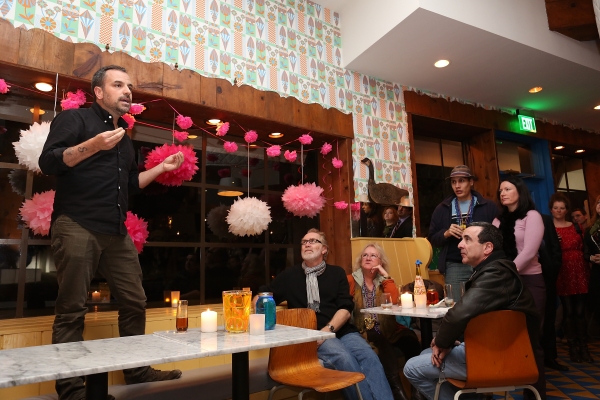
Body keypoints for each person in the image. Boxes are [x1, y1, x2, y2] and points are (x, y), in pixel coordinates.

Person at [39, 65, 184, 400]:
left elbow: (131, 185)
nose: (127, 91)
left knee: (135, 300)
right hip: (76, 223)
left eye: (129, 86)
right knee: (72, 308)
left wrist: (161, 168)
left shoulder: (125, 140)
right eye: (118, 85)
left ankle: (135, 370)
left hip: (115, 231)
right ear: (99, 92)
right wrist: (92, 145)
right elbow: (48, 163)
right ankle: (73, 390)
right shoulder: (74, 120)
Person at [404, 222, 544, 400]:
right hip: (497, 350)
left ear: (487, 248)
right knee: (427, 354)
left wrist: (441, 342)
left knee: (411, 368)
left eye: (467, 239)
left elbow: (458, 314)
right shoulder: (497, 270)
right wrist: (448, 342)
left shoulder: (496, 274)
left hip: (499, 358)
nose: (460, 245)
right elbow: (480, 320)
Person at [257, 229, 393, 400]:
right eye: (304, 242)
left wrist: (327, 330)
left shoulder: (337, 273)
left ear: (324, 249)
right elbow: (264, 296)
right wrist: (250, 303)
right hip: (310, 337)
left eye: (313, 241)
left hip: (341, 331)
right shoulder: (289, 276)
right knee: (344, 358)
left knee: (370, 357)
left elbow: (345, 307)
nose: (307, 244)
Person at [348, 243, 421, 400]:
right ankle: (398, 393)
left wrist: (385, 275)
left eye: (373, 255)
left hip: (390, 328)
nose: (368, 258)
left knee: (411, 338)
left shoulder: (385, 281)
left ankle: (418, 393)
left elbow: (393, 301)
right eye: (365, 255)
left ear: (380, 261)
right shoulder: (351, 280)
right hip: (364, 331)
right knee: (381, 342)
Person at [427, 165, 498, 300]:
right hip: (455, 264)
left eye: (461, 181)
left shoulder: (488, 206)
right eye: (453, 182)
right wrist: (446, 233)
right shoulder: (442, 208)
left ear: (471, 182)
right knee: (456, 307)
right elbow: (432, 239)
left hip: (483, 263)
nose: (457, 186)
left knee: (485, 305)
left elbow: (497, 236)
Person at [493, 177, 546, 332]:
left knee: (531, 330)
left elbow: (529, 251)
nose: (502, 193)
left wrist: (507, 271)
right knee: (509, 330)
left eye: (507, 189)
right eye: (501, 190)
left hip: (529, 280)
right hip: (504, 282)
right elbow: (493, 250)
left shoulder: (532, 216)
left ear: (520, 192)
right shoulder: (497, 221)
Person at [550, 193, 592, 363]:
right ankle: (573, 348)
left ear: (566, 210)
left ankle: (584, 348)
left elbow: (584, 247)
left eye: (562, 208)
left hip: (580, 269)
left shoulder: (576, 227)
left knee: (581, 311)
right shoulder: (549, 228)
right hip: (563, 270)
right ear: (551, 210)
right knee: (568, 311)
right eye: (556, 208)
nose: (559, 210)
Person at [539, 212, 568, 371]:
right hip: (523, 278)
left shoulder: (544, 219)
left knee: (549, 316)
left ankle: (550, 357)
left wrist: (553, 268)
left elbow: (554, 246)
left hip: (547, 276)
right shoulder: (510, 220)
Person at [584, 195, 600, 339]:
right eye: (599, 202)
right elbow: (584, 252)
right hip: (597, 272)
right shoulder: (590, 229)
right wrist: (591, 258)